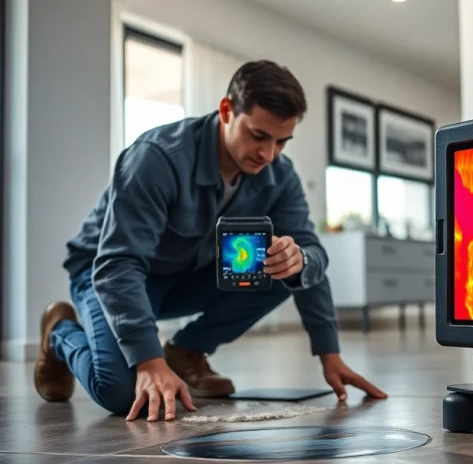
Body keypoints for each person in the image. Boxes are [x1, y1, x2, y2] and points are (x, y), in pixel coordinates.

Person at [33, 60, 387, 422]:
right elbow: (118, 264)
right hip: (106, 274)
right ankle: (60, 332)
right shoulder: (156, 158)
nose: (269, 154)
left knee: (287, 269)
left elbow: (311, 254)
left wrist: (330, 353)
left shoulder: (280, 176)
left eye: (282, 141)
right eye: (259, 135)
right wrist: (149, 362)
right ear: (226, 110)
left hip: (186, 276)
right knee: (124, 392)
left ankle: (187, 350)